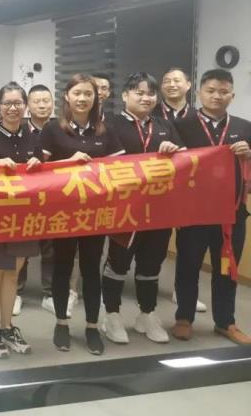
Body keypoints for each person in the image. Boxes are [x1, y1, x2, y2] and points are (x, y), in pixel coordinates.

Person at [40, 73, 124, 355]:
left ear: (96, 98)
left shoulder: (105, 130)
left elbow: (120, 169)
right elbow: (38, 171)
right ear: (67, 96)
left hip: (95, 213)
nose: (83, 98)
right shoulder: (53, 129)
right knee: (62, 268)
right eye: (77, 93)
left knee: (91, 270)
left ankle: (91, 326)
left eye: (88, 94)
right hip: (63, 212)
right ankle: (61, 323)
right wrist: (68, 162)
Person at [101, 73, 182, 345]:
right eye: (139, 92)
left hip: (159, 209)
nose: (145, 98)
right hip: (124, 208)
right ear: (125, 95)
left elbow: (185, 161)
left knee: (151, 263)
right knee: (118, 262)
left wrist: (174, 151)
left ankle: (147, 314)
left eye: (150, 94)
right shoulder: (109, 124)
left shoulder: (164, 125)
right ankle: (111, 315)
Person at [172, 69, 251, 345]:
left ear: (232, 95)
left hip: (231, 215)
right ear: (199, 93)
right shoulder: (182, 126)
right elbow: (172, 168)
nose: (217, 96)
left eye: (223, 91)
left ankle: (225, 321)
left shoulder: (245, 127)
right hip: (194, 213)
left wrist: (249, 154)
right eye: (211, 90)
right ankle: (184, 317)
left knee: (227, 268)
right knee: (188, 265)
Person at [0, 83, 41, 358]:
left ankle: (7, 327)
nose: (13, 108)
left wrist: (39, 166)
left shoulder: (34, 138)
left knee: (13, 271)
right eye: (7, 103)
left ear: (25, 106)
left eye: (18, 103)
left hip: (24, 216)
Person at [156, 67, 206, 313]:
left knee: (189, 245)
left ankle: (183, 291)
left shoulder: (200, 118)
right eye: (166, 81)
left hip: (190, 189)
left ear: (188, 85)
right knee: (156, 242)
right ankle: (147, 286)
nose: (171, 84)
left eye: (177, 80)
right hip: (158, 189)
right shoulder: (151, 114)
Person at [17, 84, 58, 317]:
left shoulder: (61, 129)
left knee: (51, 249)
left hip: (54, 199)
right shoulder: (19, 131)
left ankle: (51, 293)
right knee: (21, 249)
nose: (42, 105)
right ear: (27, 106)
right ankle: (16, 292)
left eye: (46, 101)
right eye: (36, 101)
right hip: (26, 201)